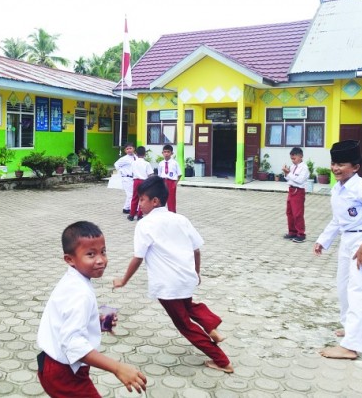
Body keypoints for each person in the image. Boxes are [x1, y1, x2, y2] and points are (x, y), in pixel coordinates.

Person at [113, 176, 233, 373]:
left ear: (155, 201)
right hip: (186, 279)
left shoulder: (144, 224)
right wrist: (196, 272)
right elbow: (196, 250)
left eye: (142, 199)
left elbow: (138, 258)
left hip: (167, 285)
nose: (139, 204)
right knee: (190, 307)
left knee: (184, 324)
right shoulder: (180, 219)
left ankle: (222, 361)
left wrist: (123, 280)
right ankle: (212, 330)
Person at [36, 221, 147, 397]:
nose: (100, 260)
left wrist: (96, 321)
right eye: (90, 254)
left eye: (103, 252)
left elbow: (65, 318)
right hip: (64, 373)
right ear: (70, 259)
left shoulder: (73, 280)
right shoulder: (80, 294)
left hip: (54, 363)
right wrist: (117, 368)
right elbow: (73, 344)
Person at [313, 140, 362, 360]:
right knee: (344, 286)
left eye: (341, 164)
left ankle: (351, 347)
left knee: (358, 291)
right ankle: (349, 327)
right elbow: (338, 220)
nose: (336, 168)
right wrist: (323, 240)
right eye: (334, 163)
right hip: (348, 241)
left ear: (355, 167)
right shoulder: (338, 189)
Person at [281, 147, 310, 243]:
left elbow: (299, 180)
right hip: (291, 190)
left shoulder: (304, 168)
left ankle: (301, 234)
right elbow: (289, 179)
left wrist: (289, 174)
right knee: (289, 212)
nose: (293, 161)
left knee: (298, 214)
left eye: (294, 158)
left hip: (298, 191)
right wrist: (286, 173)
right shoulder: (293, 166)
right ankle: (292, 231)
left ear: (300, 156)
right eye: (291, 159)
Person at [127, 146, 154, 221]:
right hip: (144, 181)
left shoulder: (133, 163)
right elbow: (150, 174)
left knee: (134, 197)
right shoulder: (146, 163)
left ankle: (132, 214)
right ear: (145, 154)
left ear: (136, 153)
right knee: (142, 198)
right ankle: (139, 215)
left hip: (136, 181)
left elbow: (131, 172)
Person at [157, 144, 181, 212]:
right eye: (165, 152)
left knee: (171, 199)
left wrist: (175, 183)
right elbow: (159, 174)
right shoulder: (161, 163)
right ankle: (162, 213)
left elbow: (179, 174)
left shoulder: (175, 163)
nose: (166, 154)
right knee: (161, 198)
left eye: (168, 152)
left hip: (171, 182)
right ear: (162, 153)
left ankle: (172, 213)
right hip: (163, 181)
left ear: (171, 153)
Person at [114, 143, 136, 214]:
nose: (129, 150)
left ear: (133, 148)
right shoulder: (124, 159)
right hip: (127, 178)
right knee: (130, 194)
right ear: (125, 151)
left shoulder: (136, 157)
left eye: (130, 148)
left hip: (134, 178)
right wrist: (122, 171)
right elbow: (116, 164)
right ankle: (126, 208)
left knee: (134, 194)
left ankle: (128, 208)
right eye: (127, 149)